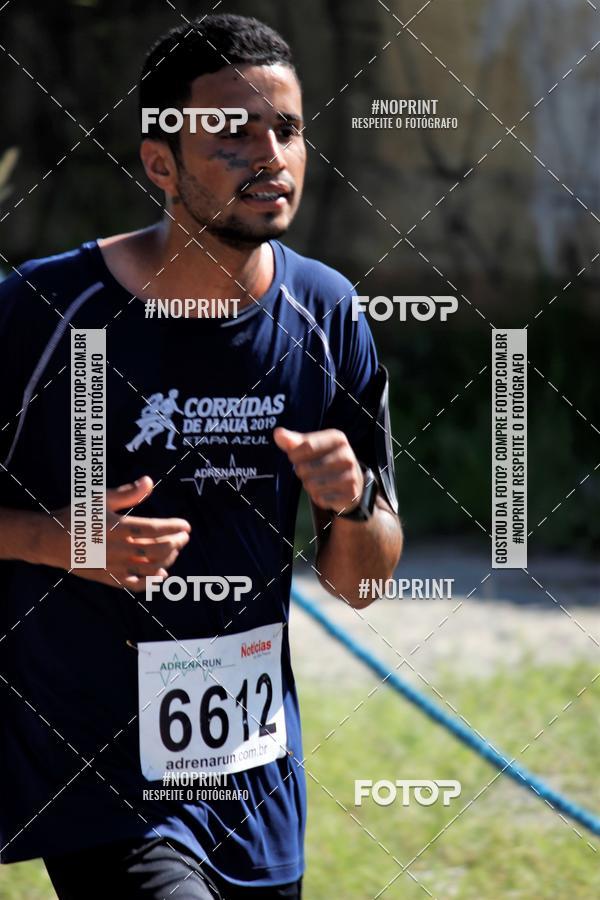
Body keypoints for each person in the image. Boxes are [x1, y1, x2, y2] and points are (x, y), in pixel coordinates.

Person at [0, 13, 403, 899]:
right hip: (101, 774)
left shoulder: (327, 315)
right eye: (232, 131)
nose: (271, 154)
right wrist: (50, 539)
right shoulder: (43, 313)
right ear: (159, 163)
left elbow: (364, 580)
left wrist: (351, 503)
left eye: (288, 130)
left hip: (254, 778)